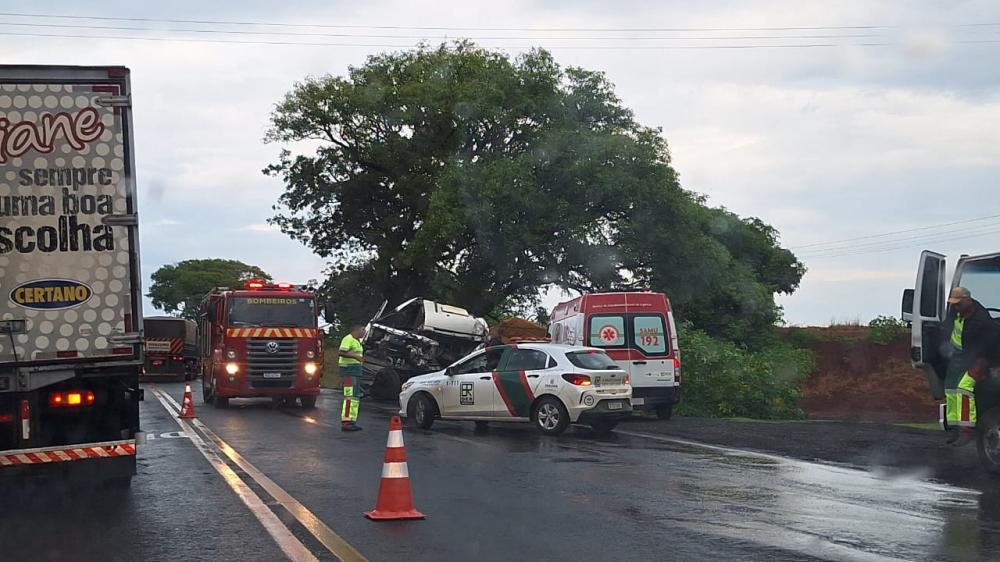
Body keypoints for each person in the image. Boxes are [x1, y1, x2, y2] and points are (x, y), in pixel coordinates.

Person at [942, 287, 1000, 446]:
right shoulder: (957, 311)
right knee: (950, 388)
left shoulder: (982, 320)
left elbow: (992, 344)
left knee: (964, 388)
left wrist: (990, 364)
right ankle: (954, 427)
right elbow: (950, 329)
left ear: (968, 300)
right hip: (959, 356)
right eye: (954, 304)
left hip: (977, 359)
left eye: (958, 304)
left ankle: (967, 430)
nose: (955, 307)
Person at [338, 324, 367, 432]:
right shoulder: (348, 339)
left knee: (354, 397)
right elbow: (341, 352)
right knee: (349, 397)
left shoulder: (357, 341)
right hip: (348, 372)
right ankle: (346, 422)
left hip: (354, 372)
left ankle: (351, 420)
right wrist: (356, 357)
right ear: (356, 330)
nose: (364, 332)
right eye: (363, 329)